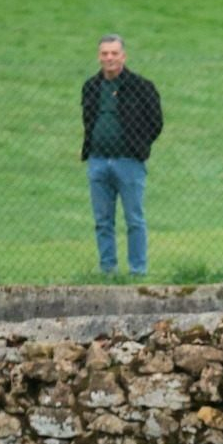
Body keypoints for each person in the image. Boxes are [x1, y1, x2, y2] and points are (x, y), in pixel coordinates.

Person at [81, 34, 163, 277]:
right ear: (99, 56)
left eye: (114, 53)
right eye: (105, 53)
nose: (109, 58)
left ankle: (138, 271)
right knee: (103, 221)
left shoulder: (142, 87)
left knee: (134, 220)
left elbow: (156, 123)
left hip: (129, 163)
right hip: (98, 162)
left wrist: (138, 146)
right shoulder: (91, 87)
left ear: (123, 56)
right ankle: (108, 271)